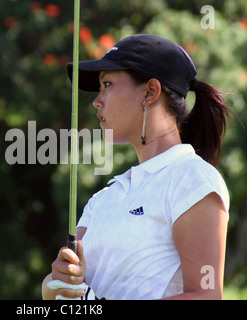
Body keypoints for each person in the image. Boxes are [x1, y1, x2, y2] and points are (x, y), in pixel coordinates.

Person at [41, 34, 231, 300]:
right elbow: (60, 291)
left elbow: (206, 296)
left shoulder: (193, 179)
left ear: (150, 91)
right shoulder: (102, 199)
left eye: (107, 84)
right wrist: (56, 283)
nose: (97, 100)